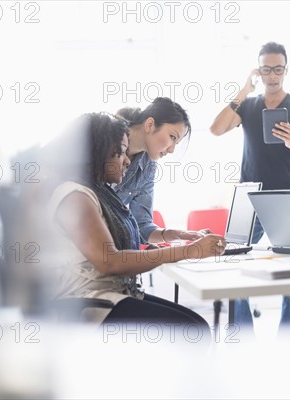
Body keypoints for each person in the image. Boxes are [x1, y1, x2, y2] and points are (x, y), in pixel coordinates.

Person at [42, 112, 225, 341]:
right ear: (95, 152)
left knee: (196, 326)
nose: (127, 160)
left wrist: (180, 247)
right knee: (192, 332)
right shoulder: (75, 196)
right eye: (119, 152)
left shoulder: (100, 191)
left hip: (113, 295)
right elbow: (110, 261)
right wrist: (189, 251)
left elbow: (129, 244)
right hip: (88, 303)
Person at [210, 42, 290, 329]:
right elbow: (216, 129)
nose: (273, 76)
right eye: (267, 69)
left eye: (278, 69)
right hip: (249, 196)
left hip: (286, 197)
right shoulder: (248, 105)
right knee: (233, 262)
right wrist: (245, 88)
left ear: (286, 70)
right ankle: (242, 333)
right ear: (260, 71)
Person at [114, 97, 209, 245]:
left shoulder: (149, 165)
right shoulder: (105, 137)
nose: (171, 150)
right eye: (172, 137)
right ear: (150, 124)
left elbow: (142, 226)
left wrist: (180, 234)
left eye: (176, 143)